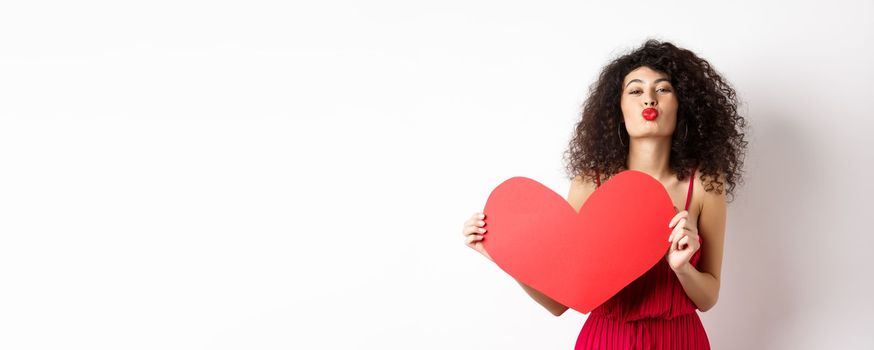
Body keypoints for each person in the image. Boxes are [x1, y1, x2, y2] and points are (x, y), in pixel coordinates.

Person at [461, 39, 748, 349]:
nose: (648, 100)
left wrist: (682, 268)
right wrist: (505, 256)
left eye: (663, 89)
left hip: (680, 340)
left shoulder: (705, 185)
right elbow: (560, 303)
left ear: (684, 104)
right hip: (606, 340)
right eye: (635, 91)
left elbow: (708, 297)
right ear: (618, 107)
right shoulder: (589, 184)